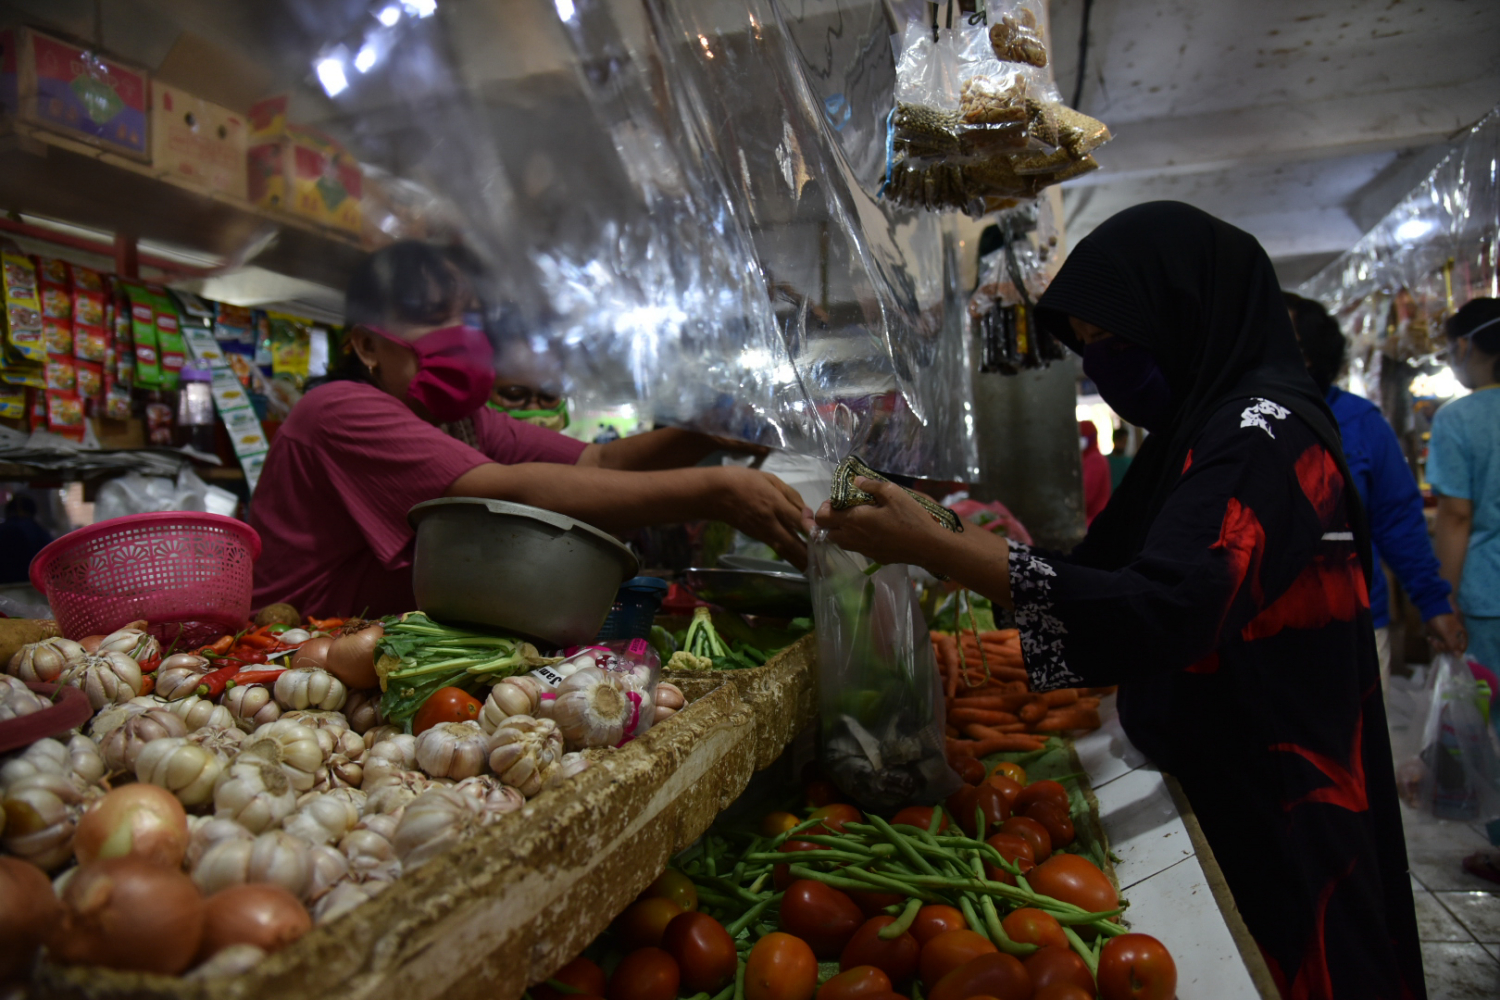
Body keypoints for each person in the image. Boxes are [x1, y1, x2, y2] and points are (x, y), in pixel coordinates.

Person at [816, 203, 1422, 997]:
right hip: (1229, 755)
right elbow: (1112, 568)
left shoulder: (1264, 432)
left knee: (1293, 952)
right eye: (1089, 346)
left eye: (1114, 339)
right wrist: (948, 534)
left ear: (1188, 312)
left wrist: (937, 548)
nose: (1104, 365)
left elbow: (1172, 603)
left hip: (1283, 785)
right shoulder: (1202, 428)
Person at [249, 241, 808, 618]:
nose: (459, 335)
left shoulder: (459, 423)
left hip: (380, 635)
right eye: (430, 314)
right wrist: (715, 491)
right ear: (367, 344)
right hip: (296, 647)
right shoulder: (340, 411)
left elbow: (598, 463)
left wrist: (704, 433)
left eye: (468, 317)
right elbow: (504, 492)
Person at [1284, 292, 1465, 687]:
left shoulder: (1358, 421)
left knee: (1357, 746)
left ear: (1309, 354)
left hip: (1353, 625)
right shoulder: (1229, 424)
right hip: (1253, 633)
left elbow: (1397, 520)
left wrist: (1433, 602)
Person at [1424, 298, 1500, 883]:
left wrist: (1439, 600)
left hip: (1487, 596)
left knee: (1490, 725)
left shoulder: (1461, 419)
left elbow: (1454, 515)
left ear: (1467, 347)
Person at [0, 494, 52, 584]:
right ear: (33, 512)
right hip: (34, 586)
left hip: (3, 588)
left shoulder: (3, 529)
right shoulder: (38, 531)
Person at [1078, 420, 1110, 524]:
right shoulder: (1087, 458)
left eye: (1081, 435)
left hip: (1093, 521)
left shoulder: (1094, 459)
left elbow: (1086, 496)